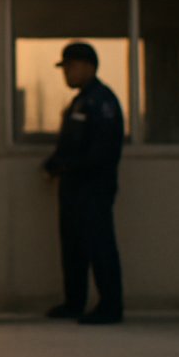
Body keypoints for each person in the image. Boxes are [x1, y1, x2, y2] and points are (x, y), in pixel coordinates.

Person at [42, 41, 125, 324]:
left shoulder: (102, 102)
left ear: (89, 67)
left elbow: (103, 150)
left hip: (93, 188)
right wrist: (54, 164)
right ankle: (74, 302)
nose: (67, 73)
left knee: (99, 245)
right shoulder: (79, 102)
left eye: (71, 67)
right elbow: (70, 144)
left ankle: (111, 306)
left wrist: (69, 166)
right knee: (74, 247)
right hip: (73, 188)